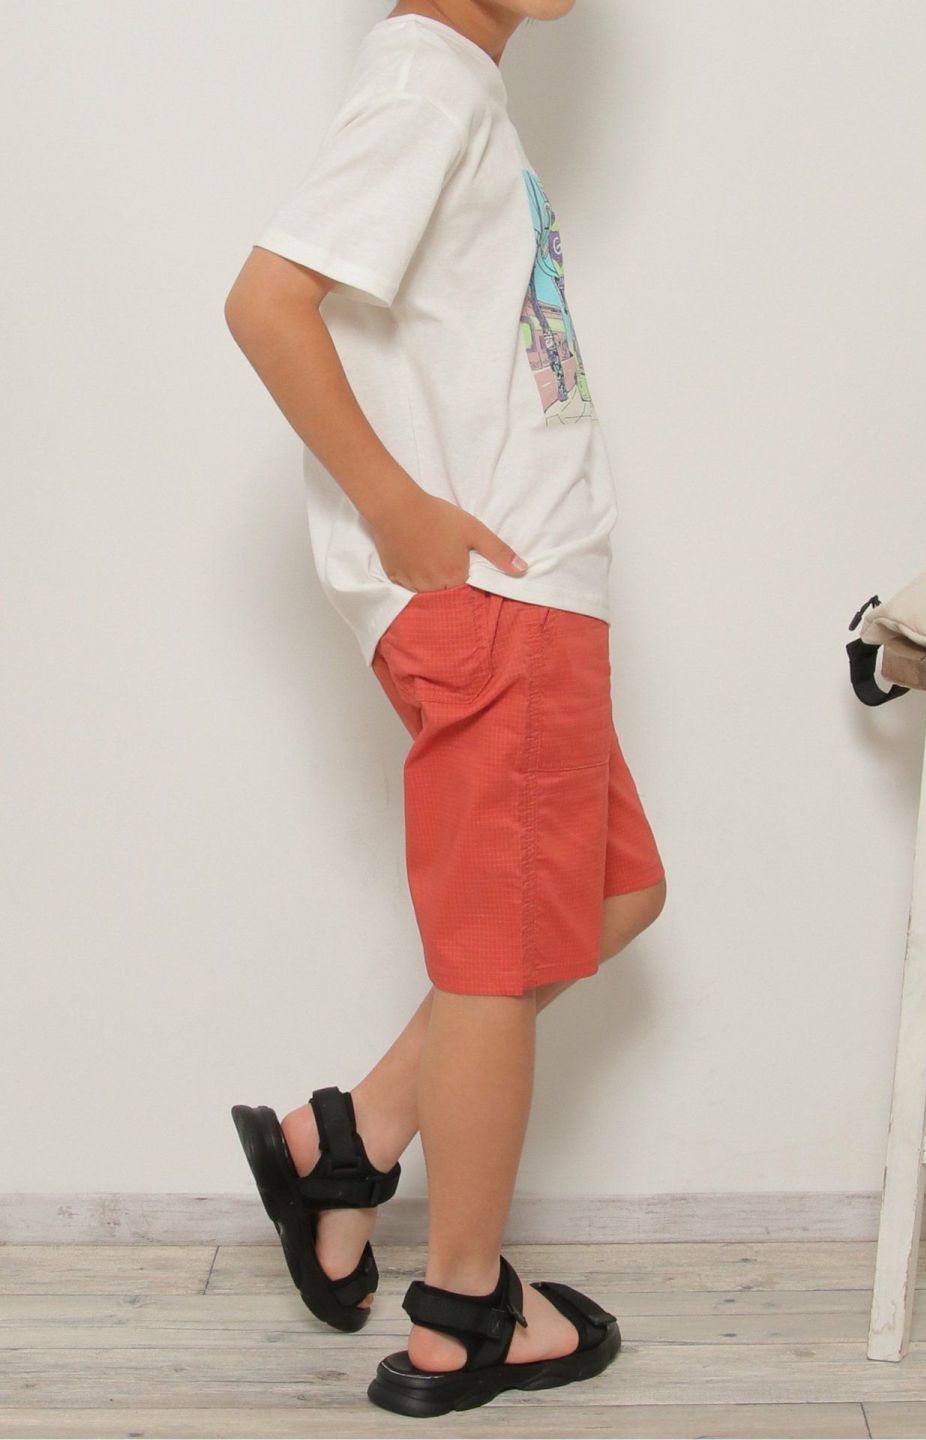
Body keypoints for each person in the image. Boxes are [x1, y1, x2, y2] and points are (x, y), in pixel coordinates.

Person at [223, 0, 667, 1417]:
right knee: (495, 962)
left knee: (613, 895)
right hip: (497, 607)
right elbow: (265, 303)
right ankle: (464, 1311)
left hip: (535, 600)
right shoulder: (425, 84)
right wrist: (394, 506)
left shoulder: (460, 91)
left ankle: (346, 1141)